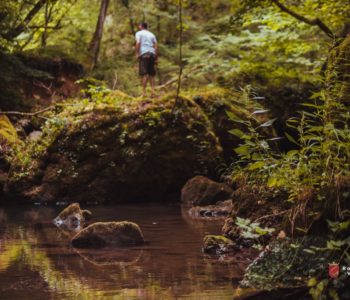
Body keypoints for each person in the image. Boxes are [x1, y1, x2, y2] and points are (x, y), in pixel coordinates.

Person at [135, 22, 158, 98]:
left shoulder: (139, 33)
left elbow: (138, 42)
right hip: (152, 54)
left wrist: (137, 53)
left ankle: (144, 93)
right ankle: (153, 92)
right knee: (151, 74)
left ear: (141, 26)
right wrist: (156, 57)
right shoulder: (152, 34)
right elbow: (155, 46)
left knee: (144, 74)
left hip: (144, 54)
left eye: (139, 25)